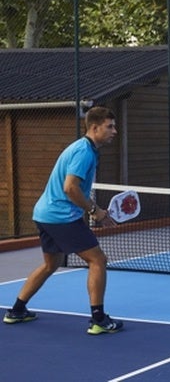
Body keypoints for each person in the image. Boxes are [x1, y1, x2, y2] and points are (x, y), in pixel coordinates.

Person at [3, 107, 124, 334]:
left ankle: (17, 310)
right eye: (110, 126)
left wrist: (94, 211)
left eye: (114, 126)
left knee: (51, 264)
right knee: (98, 260)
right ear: (94, 128)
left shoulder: (83, 148)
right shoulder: (84, 152)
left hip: (44, 214)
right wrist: (94, 211)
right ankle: (98, 319)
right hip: (61, 217)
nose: (114, 131)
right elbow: (70, 188)